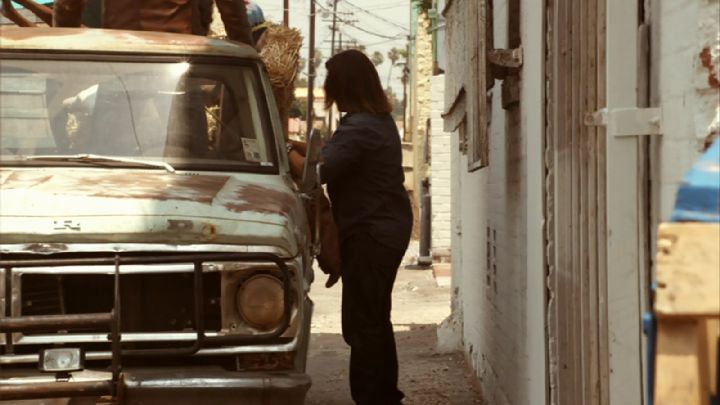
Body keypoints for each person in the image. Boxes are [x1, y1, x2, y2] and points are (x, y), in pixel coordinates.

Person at [288, 49, 413, 405]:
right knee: (373, 317)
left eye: (332, 82)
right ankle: (384, 395)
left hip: (372, 233)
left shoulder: (361, 127)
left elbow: (317, 172)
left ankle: (374, 398)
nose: (328, 88)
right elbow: (329, 153)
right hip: (382, 230)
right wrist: (297, 145)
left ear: (344, 86)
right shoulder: (371, 121)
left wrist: (282, 149)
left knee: (364, 322)